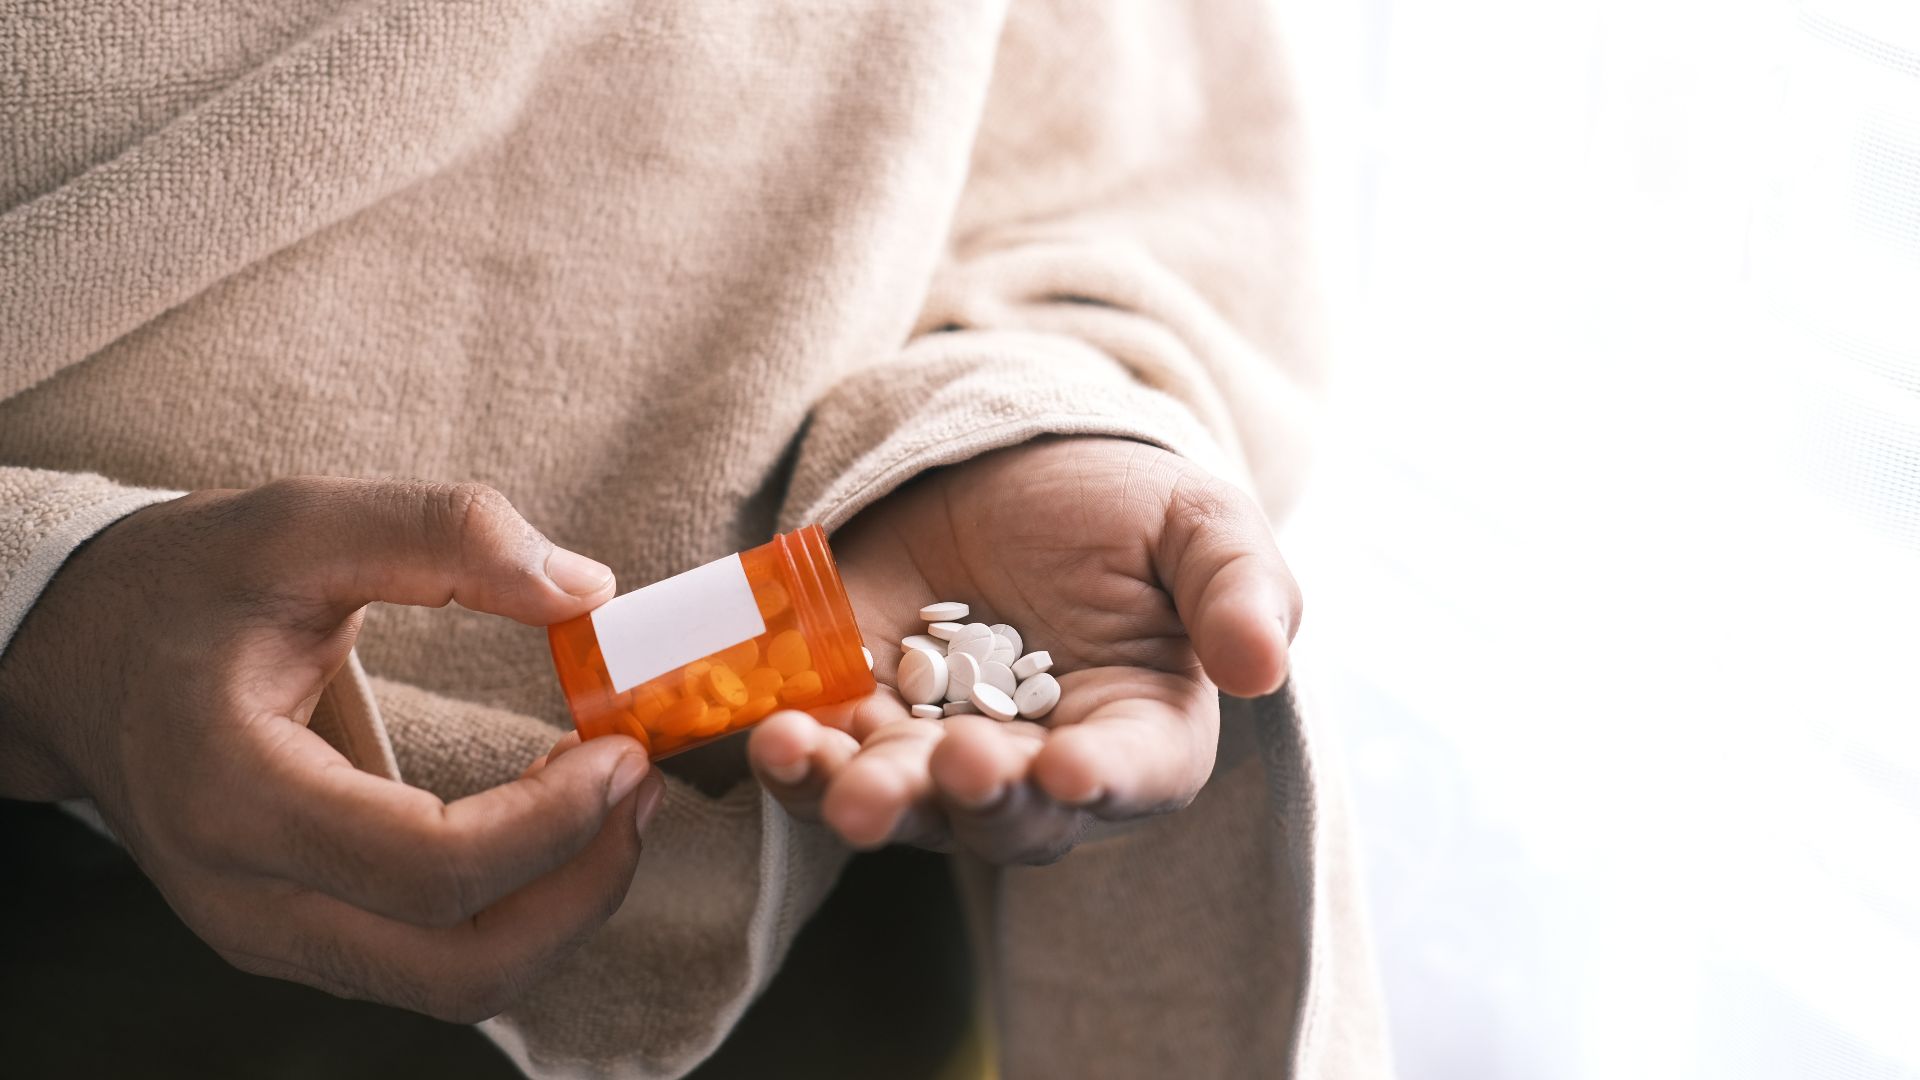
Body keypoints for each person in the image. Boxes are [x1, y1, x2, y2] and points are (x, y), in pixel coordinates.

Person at [0, 1, 1388, 1076]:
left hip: (817, 915)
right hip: (62, 923)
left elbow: (1135, 188)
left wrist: (1030, 426)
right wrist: (40, 602)